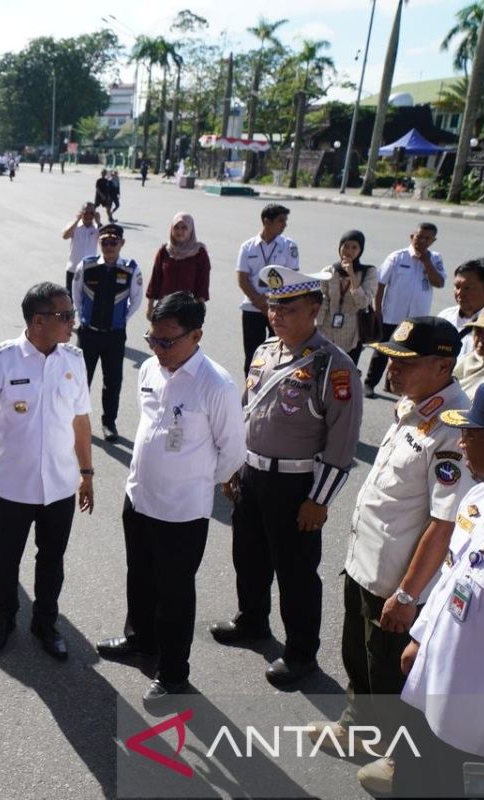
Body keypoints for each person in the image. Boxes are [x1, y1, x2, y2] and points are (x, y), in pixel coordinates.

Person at [306, 317, 471, 795]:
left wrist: (407, 593)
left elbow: (444, 525)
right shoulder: (412, 404)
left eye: (406, 363)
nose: (392, 370)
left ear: (444, 365)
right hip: (367, 564)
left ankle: (403, 762)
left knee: (393, 679)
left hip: (399, 583)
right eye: (391, 359)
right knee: (357, 656)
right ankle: (357, 727)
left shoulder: (452, 430)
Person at [211, 266, 363, 686]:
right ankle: (252, 620)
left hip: (296, 487)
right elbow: (247, 413)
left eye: (288, 307)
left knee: (295, 573)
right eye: (273, 306)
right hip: (253, 475)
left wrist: (319, 500)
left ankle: (301, 654)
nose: (276, 314)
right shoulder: (265, 352)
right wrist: (234, 468)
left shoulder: (334, 367)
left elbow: (342, 443)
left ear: (314, 309)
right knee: (249, 555)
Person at [94, 292, 244, 702]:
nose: (157, 349)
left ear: (196, 335)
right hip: (140, 496)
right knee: (139, 576)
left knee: (175, 594)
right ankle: (140, 641)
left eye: (167, 341)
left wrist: (192, 481)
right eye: (152, 339)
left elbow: (232, 452)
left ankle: (174, 673)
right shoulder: (149, 368)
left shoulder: (216, 384)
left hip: (182, 510)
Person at [393, 382, 484, 798]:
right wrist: (420, 638)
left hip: (482, 740)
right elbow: (454, 575)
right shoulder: (479, 497)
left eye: (469, 435)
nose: (459, 442)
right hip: (430, 697)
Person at [0, 282, 94, 659]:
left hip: (60, 486)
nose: (71, 323)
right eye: (64, 316)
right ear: (38, 320)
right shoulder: (1, 359)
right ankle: (3, 619)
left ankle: (45, 623)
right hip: (12, 485)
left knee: (51, 561)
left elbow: (80, 422)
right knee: (6, 560)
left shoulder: (74, 360)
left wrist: (87, 473)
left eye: (71, 314)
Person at [72, 223, 143, 442]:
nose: (109, 246)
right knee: (81, 380)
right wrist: (84, 317)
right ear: (98, 242)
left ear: (121, 243)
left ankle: (109, 423)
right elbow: (76, 293)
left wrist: (121, 320)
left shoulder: (130, 268)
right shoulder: (87, 265)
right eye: (105, 241)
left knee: (113, 382)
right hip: (89, 334)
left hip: (114, 335)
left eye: (114, 242)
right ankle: (74, 421)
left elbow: (136, 299)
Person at [364, 222, 446, 397]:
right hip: (392, 315)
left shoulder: (436, 258)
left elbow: (439, 283)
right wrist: (377, 311)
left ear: (433, 241)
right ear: (411, 237)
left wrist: (427, 262)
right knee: (382, 352)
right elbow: (380, 284)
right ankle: (369, 383)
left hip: (417, 318)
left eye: (427, 238)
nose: (422, 241)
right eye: (419, 237)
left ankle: (393, 385)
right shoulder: (397, 257)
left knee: (408, 355)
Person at [235, 204, 300, 375]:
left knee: (280, 354)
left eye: (285, 220)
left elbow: (292, 277)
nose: (285, 224)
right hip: (253, 308)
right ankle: (250, 392)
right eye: (281, 220)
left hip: (280, 308)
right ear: (266, 221)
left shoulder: (289, 246)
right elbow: (242, 278)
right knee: (252, 354)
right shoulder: (248, 247)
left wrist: (272, 301)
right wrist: (259, 301)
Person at [316, 230, 377, 365]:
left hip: (351, 334)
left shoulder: (369, 272)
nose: (349, 251)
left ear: (360, 250)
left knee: (345, 374)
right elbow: (323, 299)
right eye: (346, 246)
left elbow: (363, 303)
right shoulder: (329, 271)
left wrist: (351, 275)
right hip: (327, 330)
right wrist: (316, 327)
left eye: (354, 247)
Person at [145, 213, 211, 318]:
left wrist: (199, 309)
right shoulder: (165, 251)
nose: (180, 231)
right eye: (176, 227)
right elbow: (155, 279)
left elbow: (203, 282)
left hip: (188, 309)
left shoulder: (199, 252)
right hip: (165, 307)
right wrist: (150, 306)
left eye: (184, 228)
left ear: (191, 229)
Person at [61, 202, 100, 291]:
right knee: (70, 297)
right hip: (73, 268)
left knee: (87, 298)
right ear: (81, 212)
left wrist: (99, 222)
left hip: (89, 269)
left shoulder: (97, 228)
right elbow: (65, 236)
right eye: (86, 212)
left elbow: (104, 239)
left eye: (91, 213)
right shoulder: (75, 226)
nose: (88, 215)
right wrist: (76, 221)